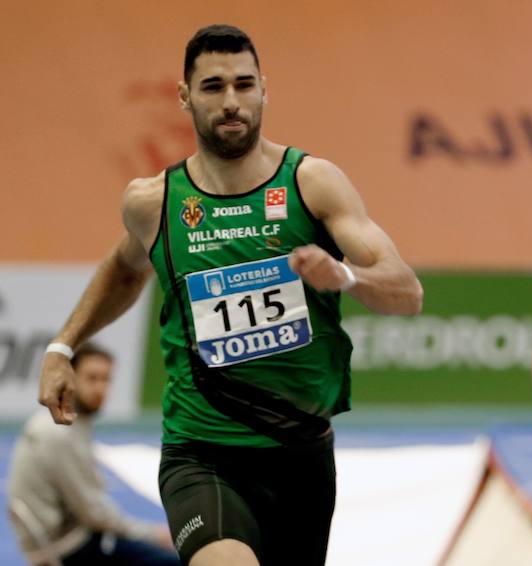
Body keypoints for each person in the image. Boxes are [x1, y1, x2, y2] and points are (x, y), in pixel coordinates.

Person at [38, 24, 423, 566]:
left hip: (301, 453)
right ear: (184, 95)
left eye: (244, 84)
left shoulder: (312, 184)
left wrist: (346, 277)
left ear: (264, 88)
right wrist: (62, 347)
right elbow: (124, 270)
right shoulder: (154, 202)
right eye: (213, 87)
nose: (231, 101)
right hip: (201, 453)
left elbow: (407, 292)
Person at [8, 343, 180, 566]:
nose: (100, 388)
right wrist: (152, 534)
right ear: (70, 378)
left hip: (60, 537)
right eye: (92, 378)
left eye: (106, 379)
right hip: (67, 547)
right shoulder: (60, 432)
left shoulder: (66, 422)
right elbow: (95, 514)